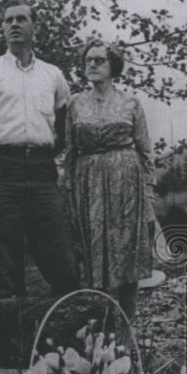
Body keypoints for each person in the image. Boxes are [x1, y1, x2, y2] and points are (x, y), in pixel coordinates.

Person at [0, 0, 78, 298]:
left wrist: (44, 157)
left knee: (62, 264)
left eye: (21, 19)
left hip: (41, 172)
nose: (14, 25)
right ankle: (12, 337)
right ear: (3, 29)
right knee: (7, 268)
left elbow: (63, 132)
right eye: (8, 21)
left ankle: (62, 335)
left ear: (34, 27)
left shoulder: (53, 75)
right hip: (0, 171)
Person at [63, 40, 154, 320]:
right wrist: (67, 191)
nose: (92, 65)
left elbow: (146, 151)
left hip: (126, 183)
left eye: (99, 60)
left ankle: (126, 328)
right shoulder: (75, 104)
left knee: (126, 251)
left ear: (113, 66)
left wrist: (149, 197)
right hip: (88, 184)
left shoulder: (130, 103)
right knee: (92, 252)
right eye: (88, 60)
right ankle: (99, 328)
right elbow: (69, 151)